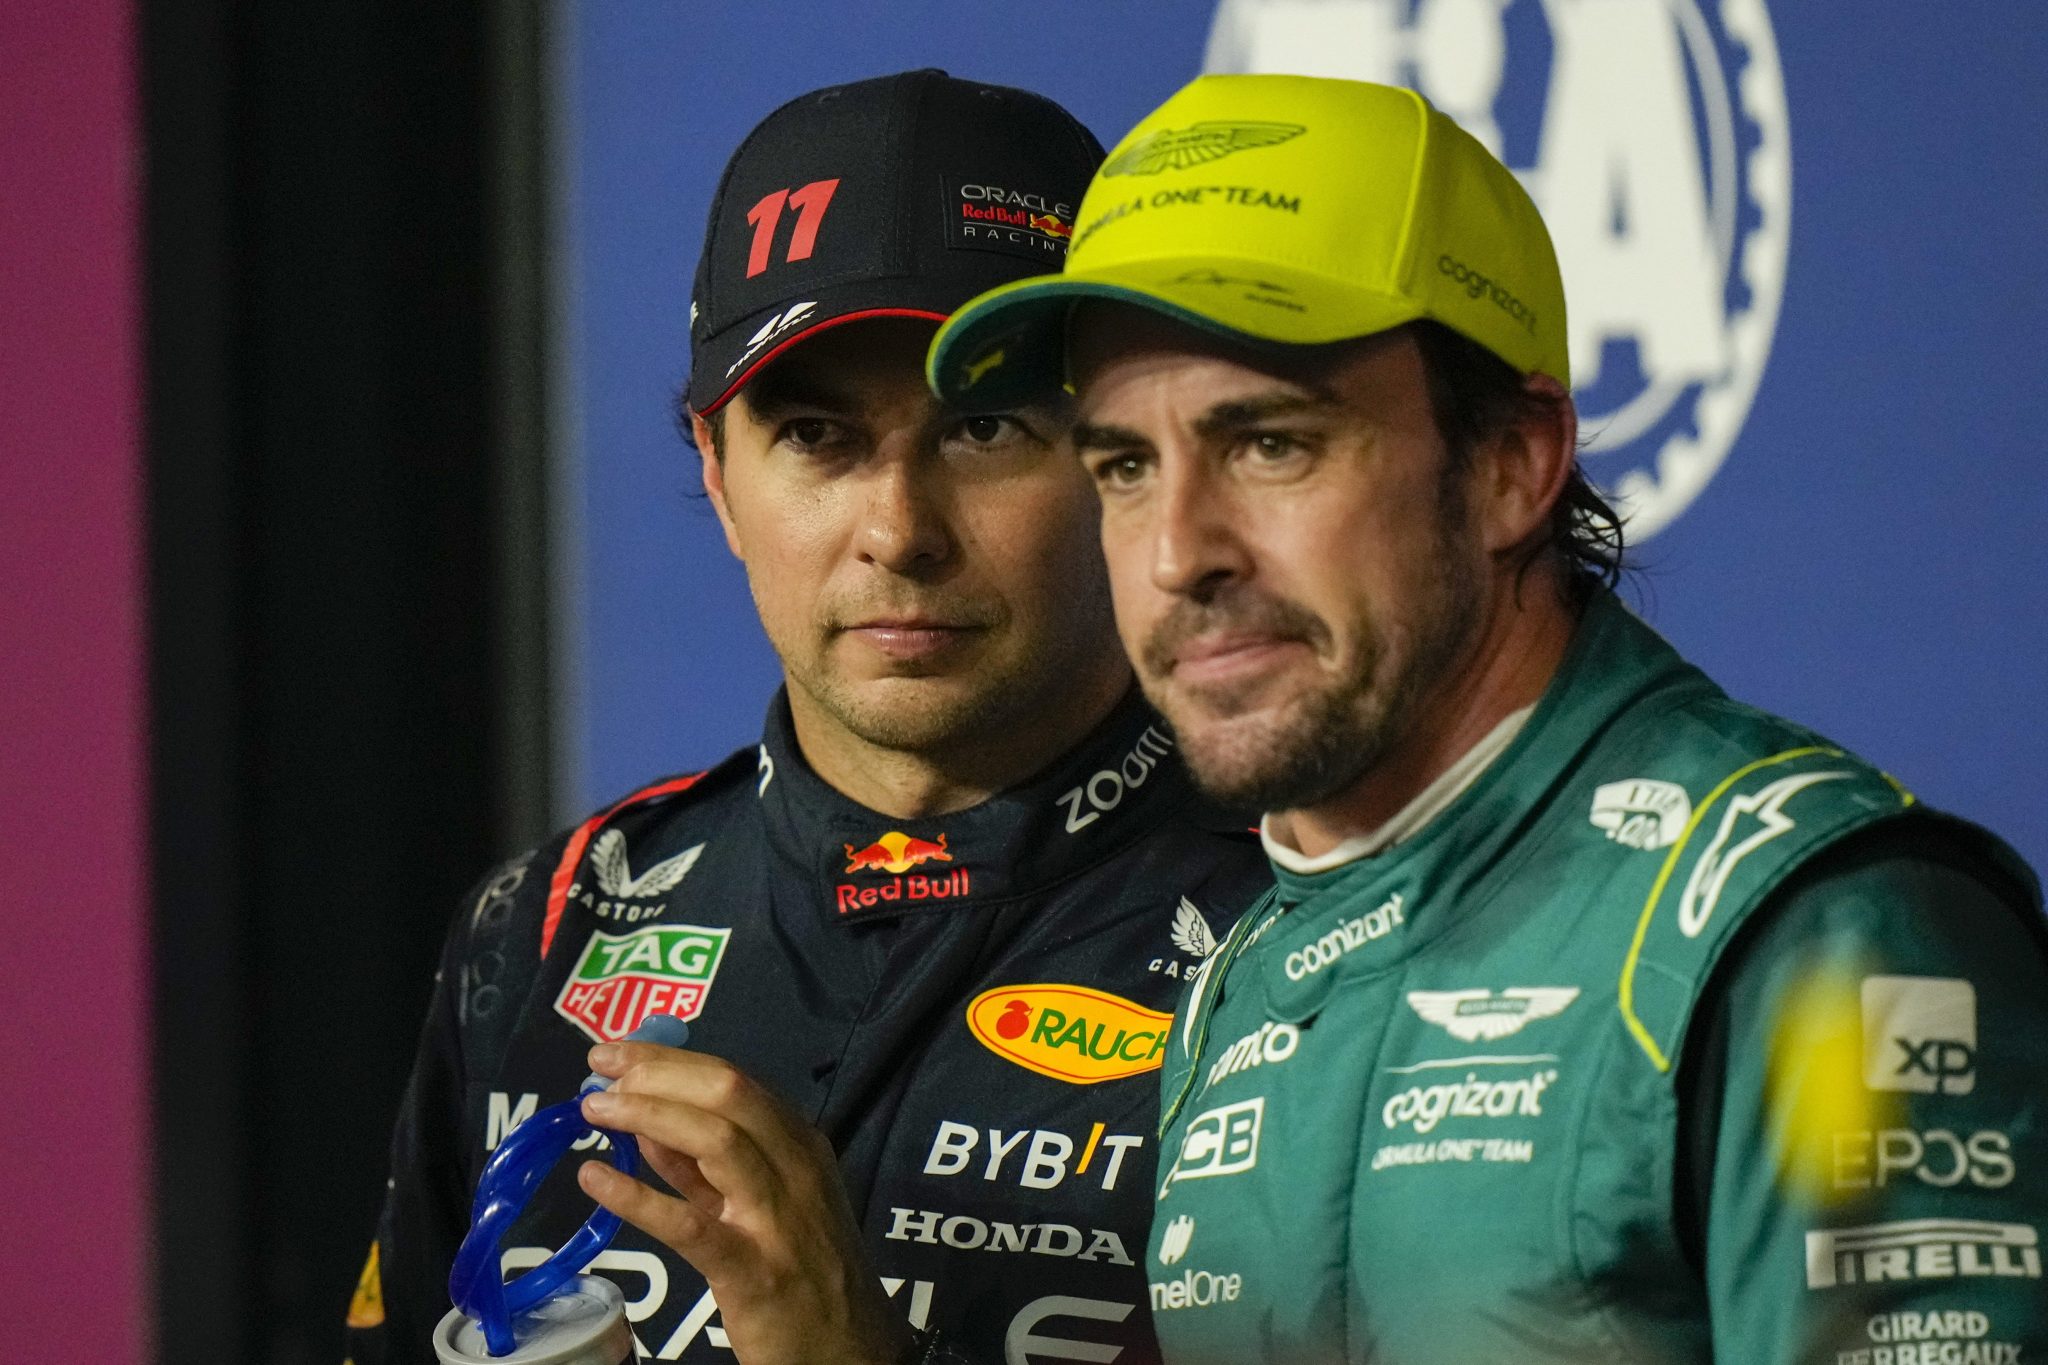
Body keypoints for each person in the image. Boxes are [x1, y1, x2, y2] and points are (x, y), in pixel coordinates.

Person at [927, 72, 2048, 1365]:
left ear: (1514, 463)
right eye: (1125, 466)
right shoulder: (1241, 973)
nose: (1179, 553)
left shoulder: (1808, 928)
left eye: (1271, 444)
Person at [345, 70, 1270, 1365]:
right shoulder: (549, 924)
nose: (899, 531)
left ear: (1127, 461)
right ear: (720, 479)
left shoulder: (1317, 933)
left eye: (984, 428)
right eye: (820, 437)